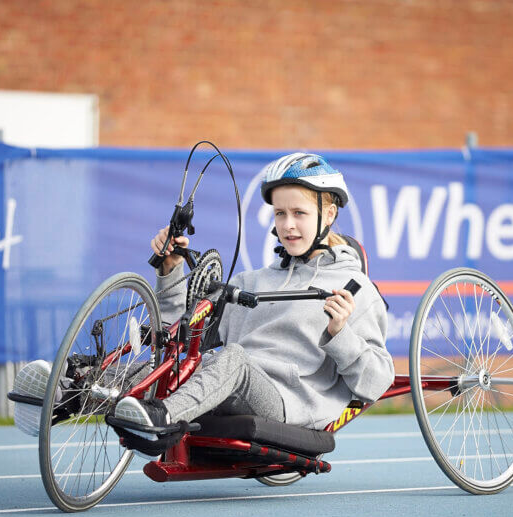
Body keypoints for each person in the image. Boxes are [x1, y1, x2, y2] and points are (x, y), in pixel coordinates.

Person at [112, 152, 394, 445]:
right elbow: (180, 332)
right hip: (222, 380)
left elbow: (375, 383)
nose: (287, 225)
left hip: (285, 398)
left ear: (330, 215)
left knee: (233, 357)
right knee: (144, 370)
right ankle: (67, 391)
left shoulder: (353, 287)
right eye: (280, 213)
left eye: (299, 213)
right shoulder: (250, 282)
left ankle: (161, 422)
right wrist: (170, 269)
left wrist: (340, 334)